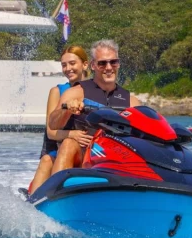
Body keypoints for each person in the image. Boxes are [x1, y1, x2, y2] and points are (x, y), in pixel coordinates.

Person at [48, 39, 141, 175]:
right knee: (68, 143)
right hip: (83, 159)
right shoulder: (76, 92)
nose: (108, 67)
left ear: (118, 64)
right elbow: (53, 124)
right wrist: (66, 109)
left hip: (116, 161)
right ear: (93, 65)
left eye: (113, 62)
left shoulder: (132, 102)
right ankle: (56, 191)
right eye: (102, 63)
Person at [28, 45, 92, 193]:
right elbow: (51, 132)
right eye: (64, 65)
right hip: (62, 148)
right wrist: (72, 134)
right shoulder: (57, 91)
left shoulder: (98, 90)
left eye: (72, 63)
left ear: (85, 64)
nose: (68, 68)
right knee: (46, 161)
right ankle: (33, 205)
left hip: (91, 151)